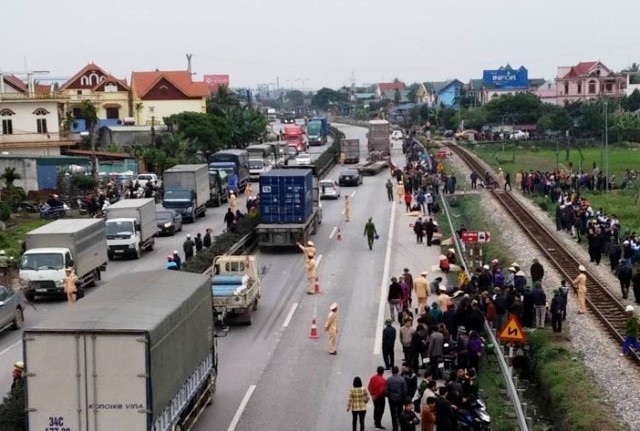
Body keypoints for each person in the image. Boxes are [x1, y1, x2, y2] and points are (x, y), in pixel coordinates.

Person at [386, 366, 408, 431]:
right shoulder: (402, 379)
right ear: (398, 371)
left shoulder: (388, 379)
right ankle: (402, 427)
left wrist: (389, 396)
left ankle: (395, 428)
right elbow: (404, 390)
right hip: (400, 399)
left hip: (391, 399)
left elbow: (385, 390)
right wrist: (404, 398)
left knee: (393, 414)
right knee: (400, 413)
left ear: (392, 371)